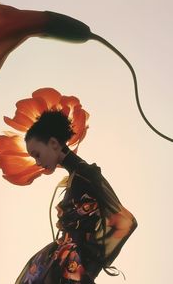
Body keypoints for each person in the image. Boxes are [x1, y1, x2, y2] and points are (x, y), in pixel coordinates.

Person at [14, 110, 137, 284]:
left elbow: (125, 222)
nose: (38, 163)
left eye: (37, 154)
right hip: (58, 264)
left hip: (71, 268)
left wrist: (90, 264)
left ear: (54, 143)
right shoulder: (75, 177)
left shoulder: (86, 174)